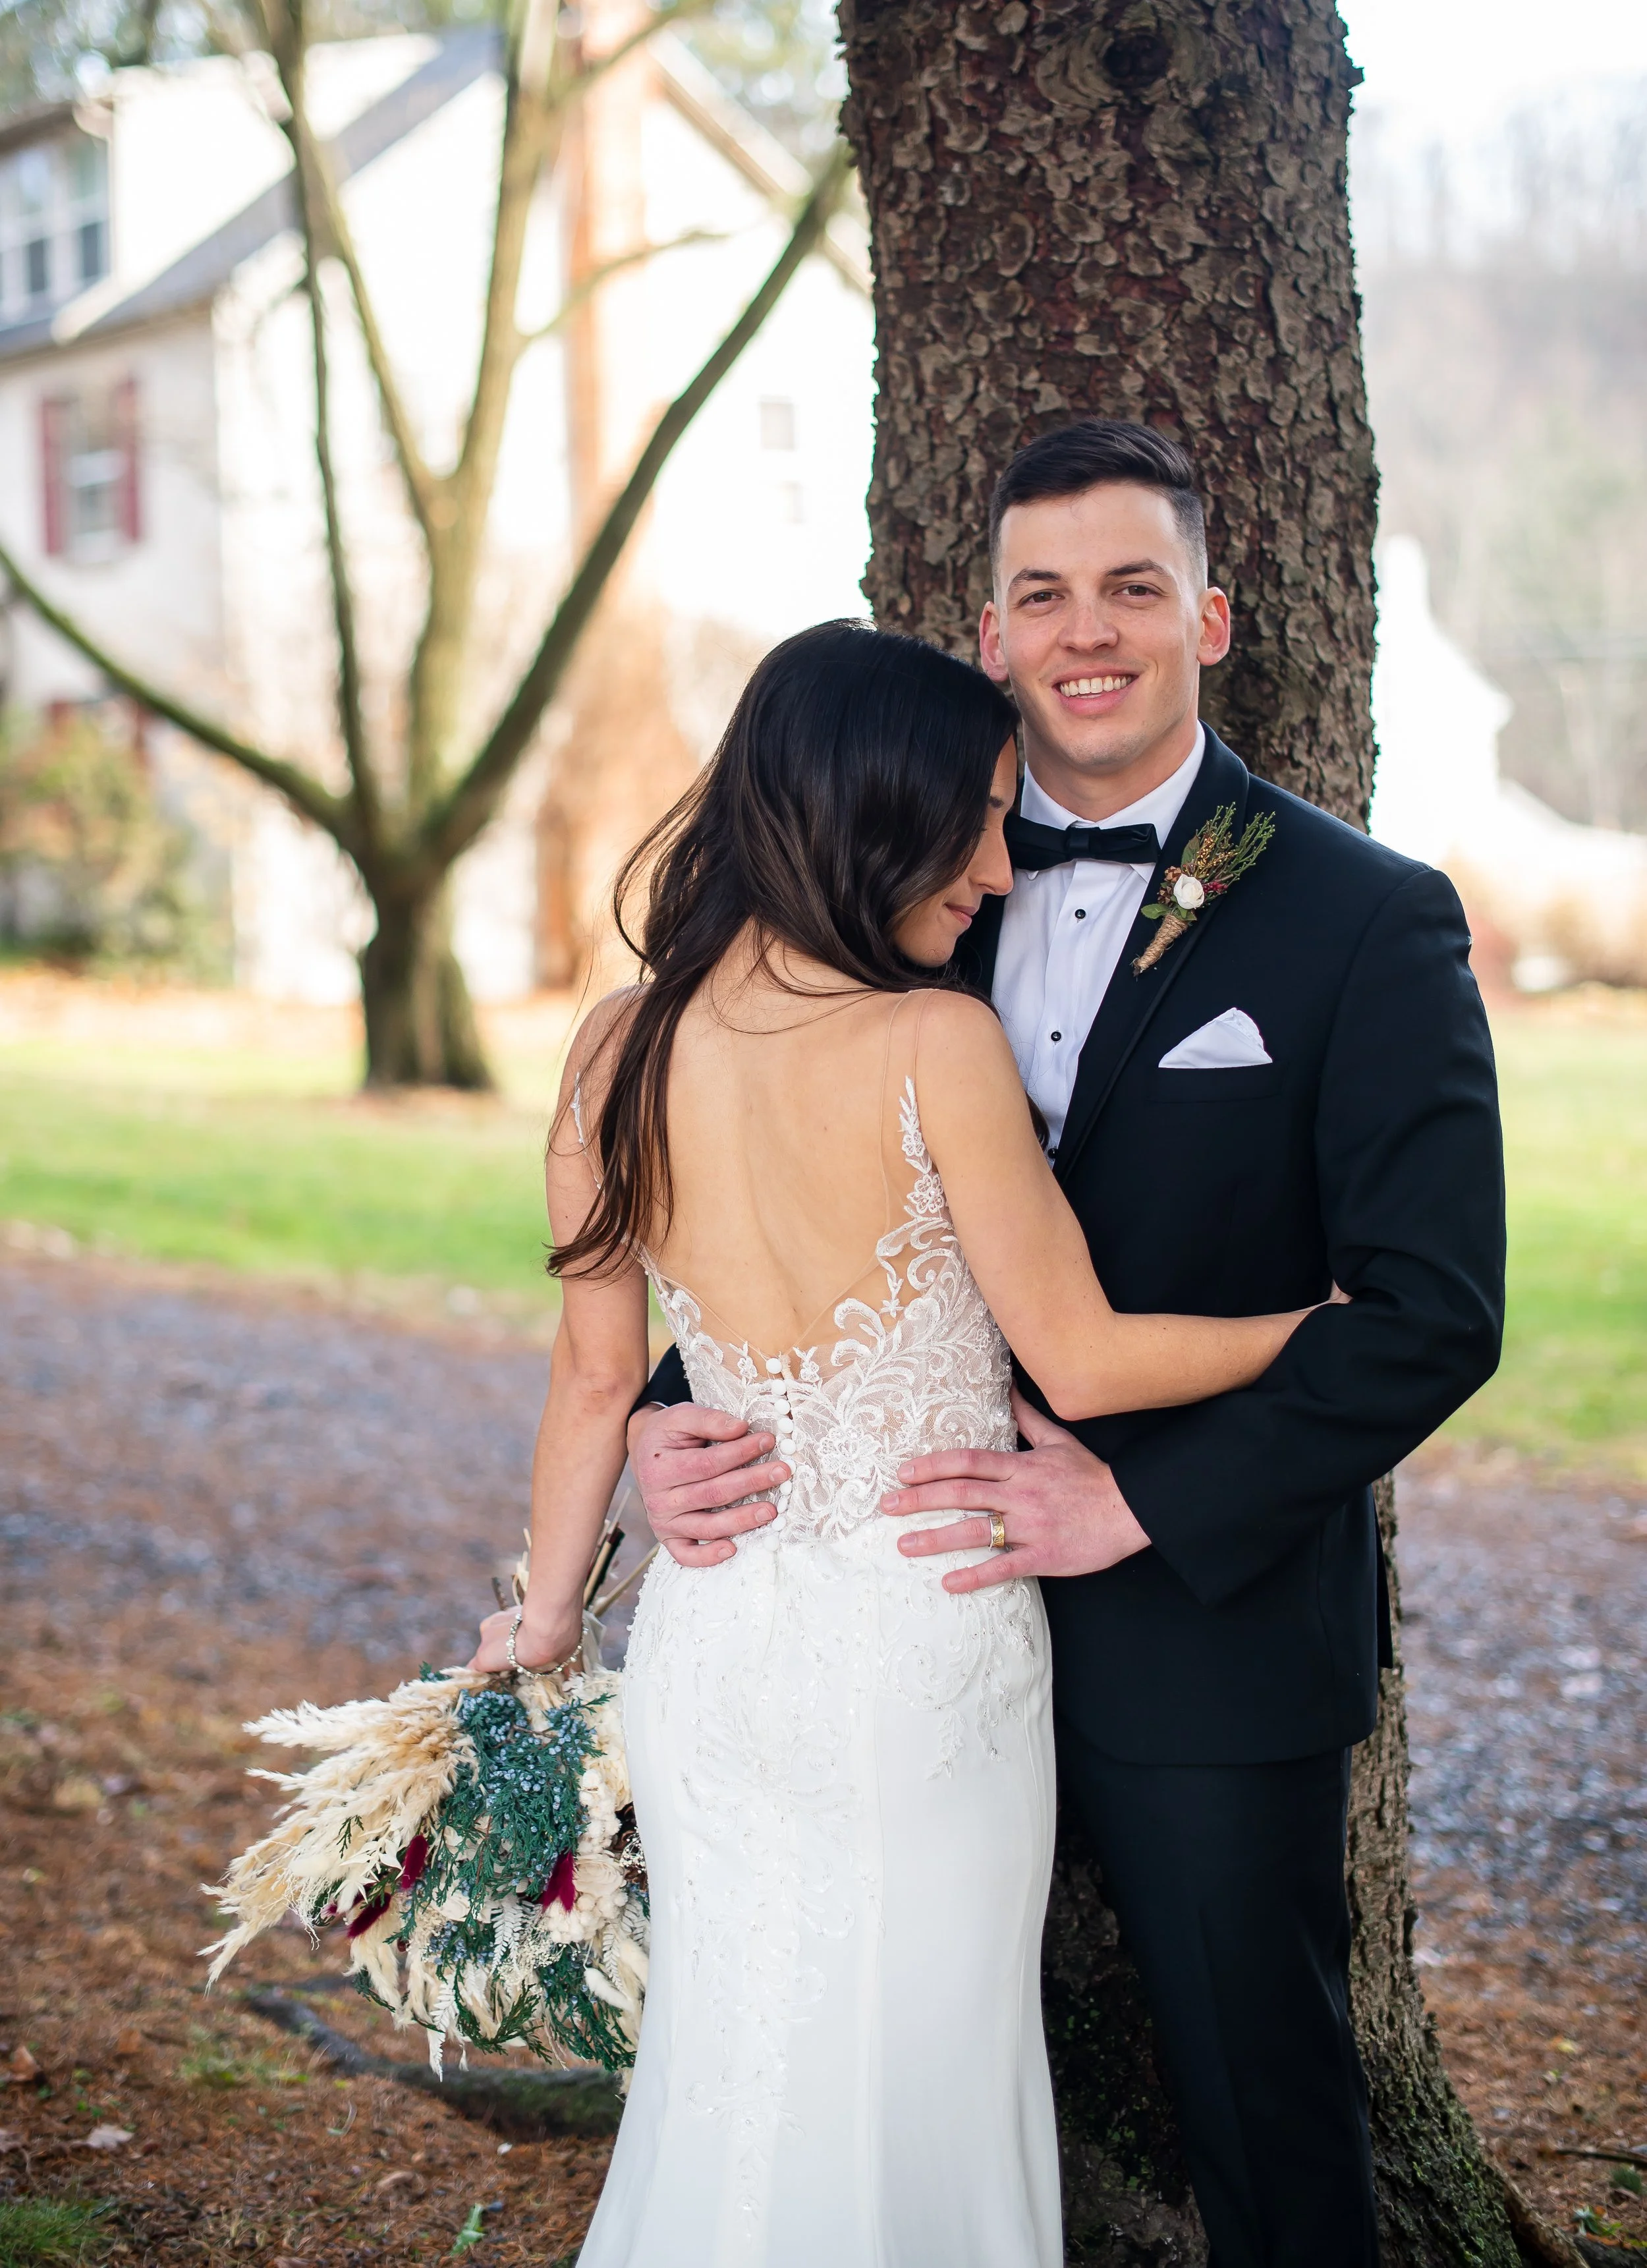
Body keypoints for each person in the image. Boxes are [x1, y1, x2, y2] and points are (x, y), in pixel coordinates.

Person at [626, 422, 1507, 2266]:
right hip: (888, 1630)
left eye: (1128, 586)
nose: (1084, 630)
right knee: (874, 2091)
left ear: (1209, 612)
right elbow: (752, 1178)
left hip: (1204, 1626)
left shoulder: (1363, 918)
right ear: (986, 633)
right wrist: (670, 1408)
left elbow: (1431, 1313)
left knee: (1268, 2125)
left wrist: (1143, 1504)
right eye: (1041, 594)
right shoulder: (892, 884)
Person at [469, 615, 1336, 2268]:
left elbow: (593, 1384)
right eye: (983, 817)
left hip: (712, 1647)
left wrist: (549, 1621)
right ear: (876, 811)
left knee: (735, 2073)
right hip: (920, 1647)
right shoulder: (932, 1041)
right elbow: (1078, 1353)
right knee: (915, 2078)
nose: (1003, 868)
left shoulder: (613, 1048)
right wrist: (1315, 1324)